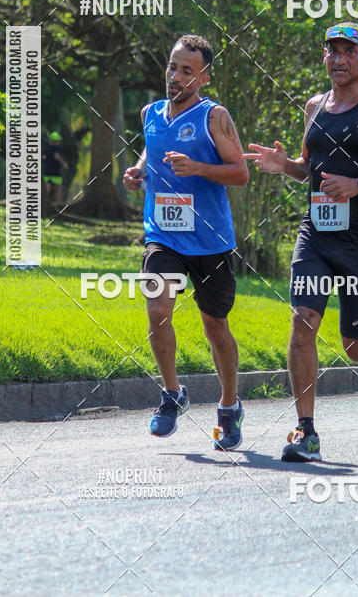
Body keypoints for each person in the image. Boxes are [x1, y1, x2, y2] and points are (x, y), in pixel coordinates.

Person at [244, 23, 358, 462]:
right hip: (316, 235)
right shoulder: (314, 106)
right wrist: (283, 164)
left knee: (355, 345)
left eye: (350, 51)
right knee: (302, 321)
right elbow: (312, 170)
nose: (340, 59)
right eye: (333, 51)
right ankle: (305, 431)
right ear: (325, 57)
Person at [123, 34, 249, 450]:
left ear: (204, 77)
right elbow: (152, 149)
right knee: (158, 309)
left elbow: (239, 173)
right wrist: (140, 171)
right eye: (173, 67)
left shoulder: (215, 117)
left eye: (186, 71)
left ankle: (230, 407)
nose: (175, 77)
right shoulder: (150, 112)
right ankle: (172, 395)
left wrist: (197, 167)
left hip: (210, 240)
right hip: (163, 236)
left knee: (215, 326)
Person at [42, 131, 68, 203]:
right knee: (57, 191)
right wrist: (64, 164)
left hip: (47, 173)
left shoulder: (46, 148)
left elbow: (43, 157)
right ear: (56, 141)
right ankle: (57, 206)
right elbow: (57, 156)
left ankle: (45, 204)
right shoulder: (57, 148)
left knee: (47, 191)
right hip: (56, 172)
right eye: (58, 141)